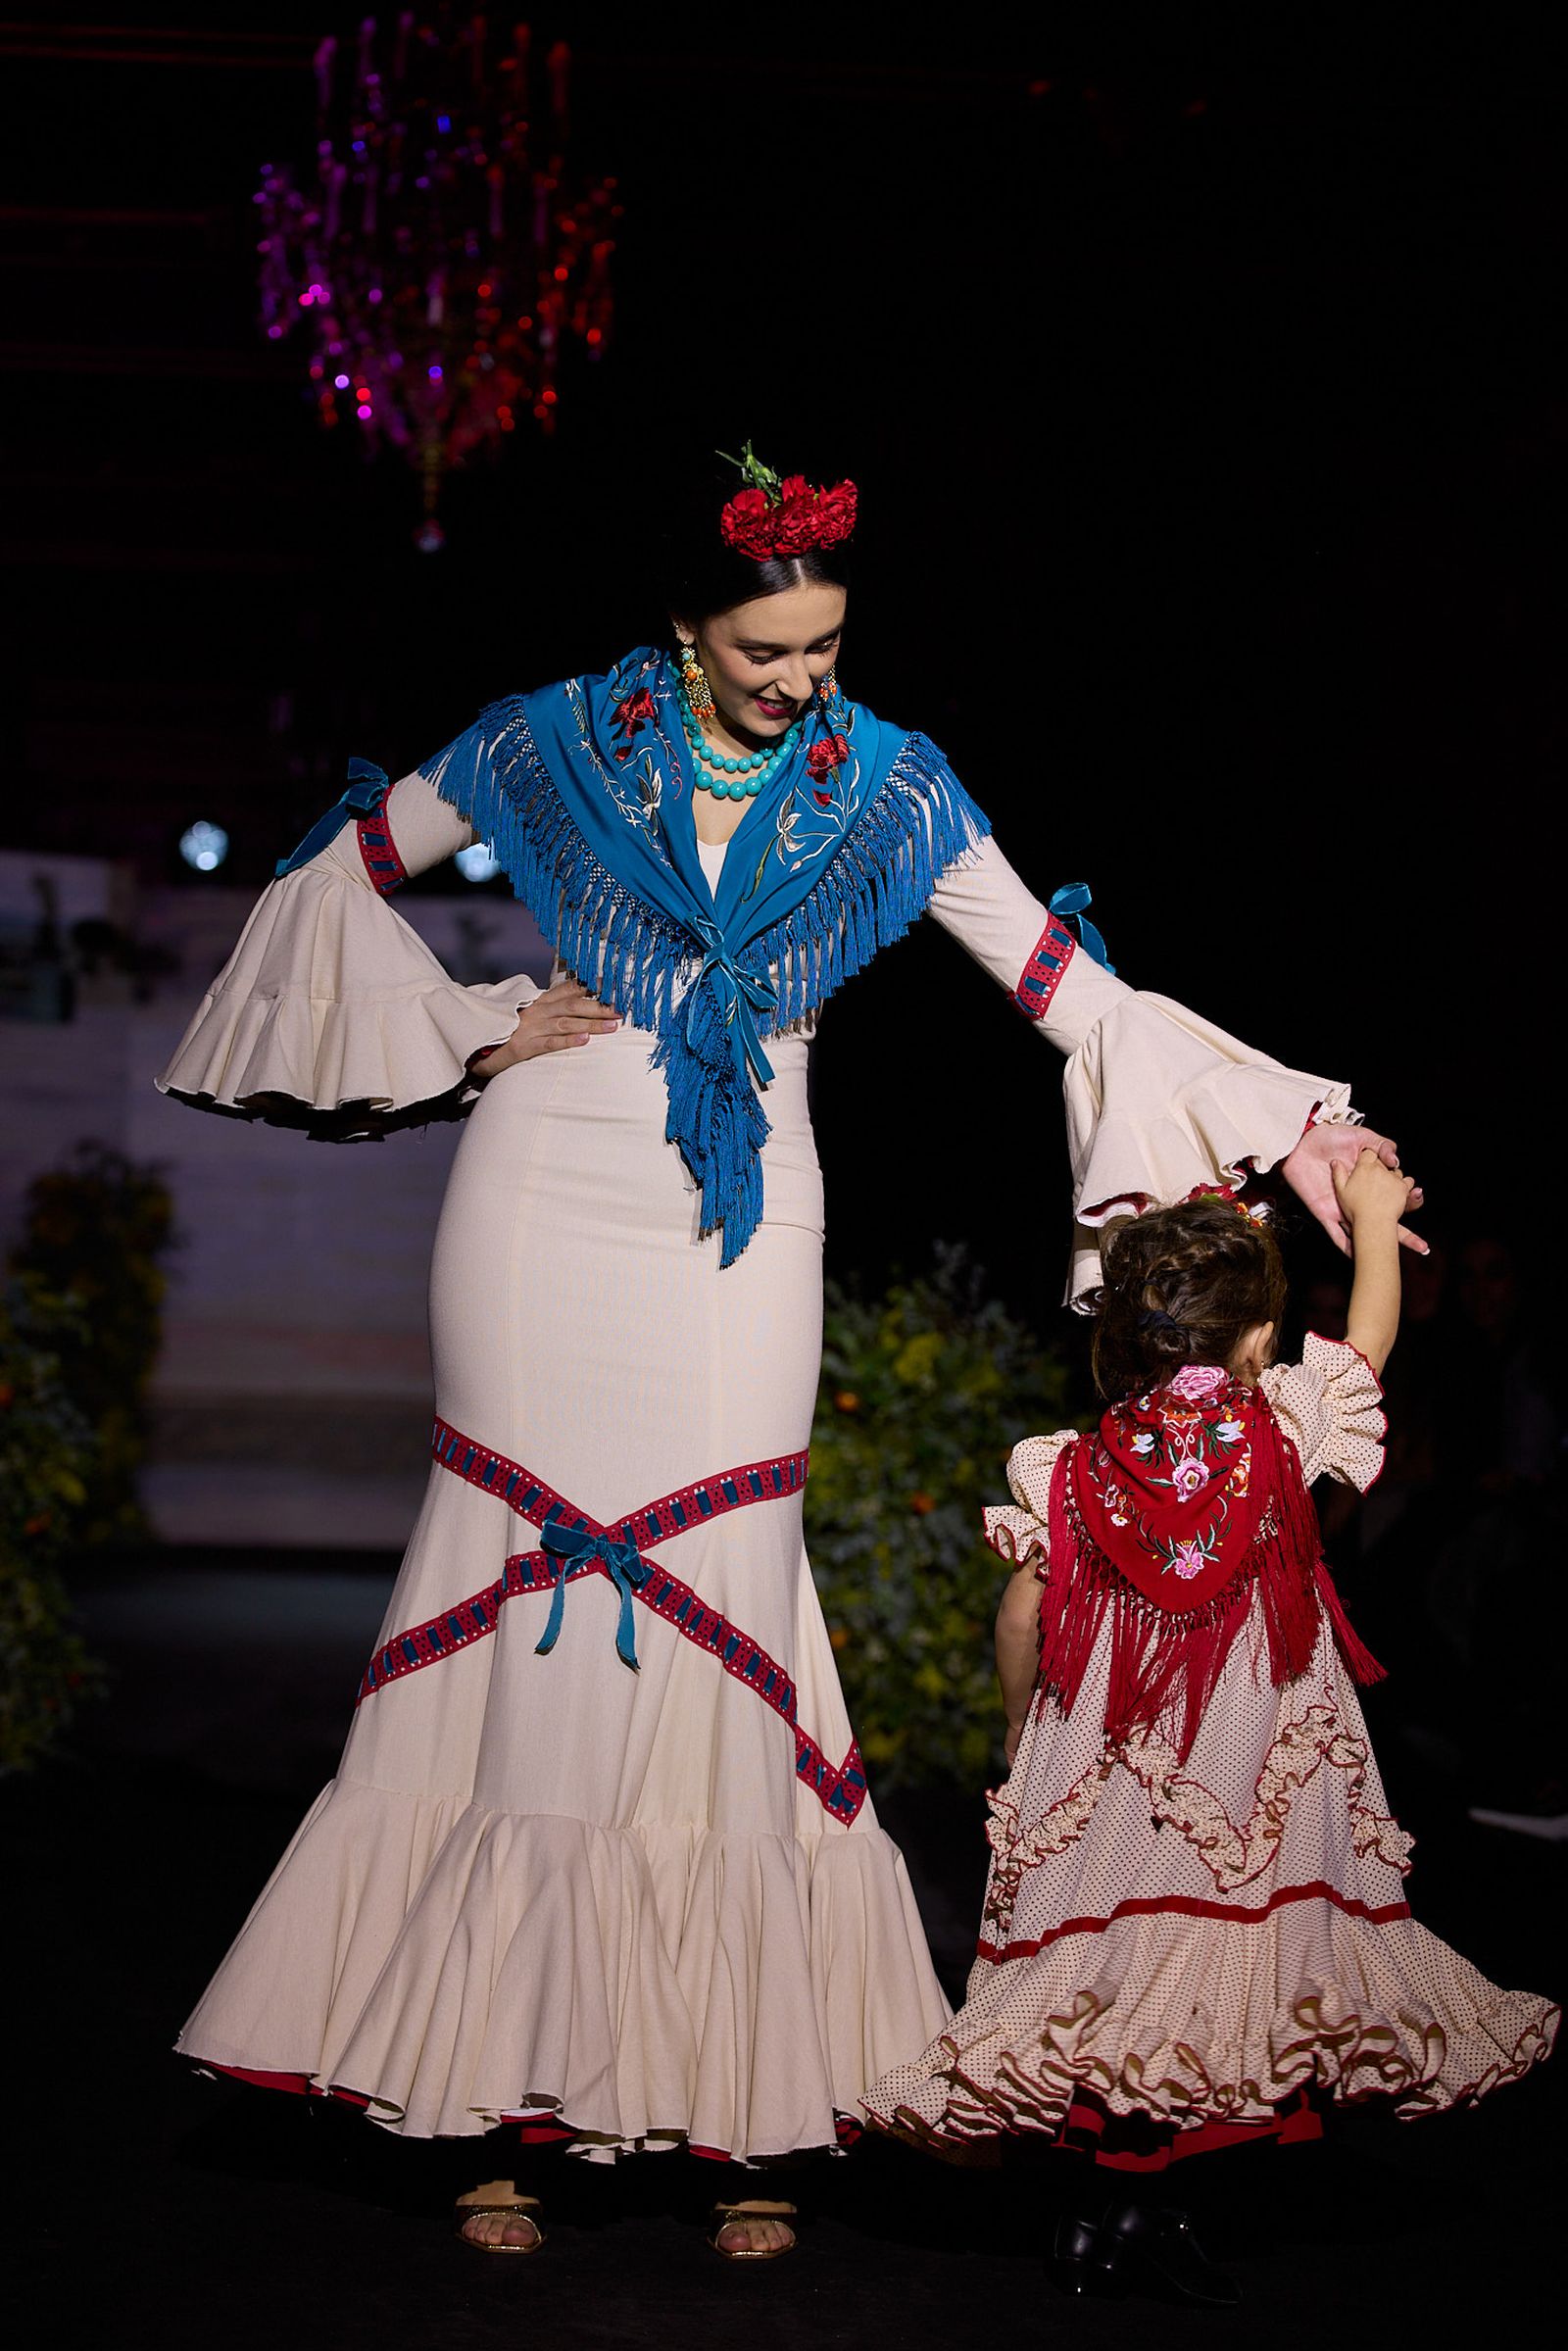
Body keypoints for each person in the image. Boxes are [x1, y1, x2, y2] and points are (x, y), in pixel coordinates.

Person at [157, 444, 1420, 2260]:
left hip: (747, 1238)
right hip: (539, 1213)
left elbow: (1074, 996)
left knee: (732, 1596)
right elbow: (329, 880)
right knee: (529, 1615)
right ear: (685, 626)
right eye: (769, 649)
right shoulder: (546, 741)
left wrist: (1314, 1143)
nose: (802, 677)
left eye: (826, 645)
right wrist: (480, 1027)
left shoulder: (889, 785)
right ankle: (493, 2096)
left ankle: (752, 2100)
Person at [861, 1163, 1559, 2302]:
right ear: (1261, 1337)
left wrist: (1020, 1735)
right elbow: (1372, 1340)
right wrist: (1376, 1222)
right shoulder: (1279, 1425)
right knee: (1216, 1964)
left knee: (1120, 1965)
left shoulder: (1072, 1466)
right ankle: (1140, 2201)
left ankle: (1110, 2206)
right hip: (1241, 1762)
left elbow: (1023, 1611)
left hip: (1116, 1753)